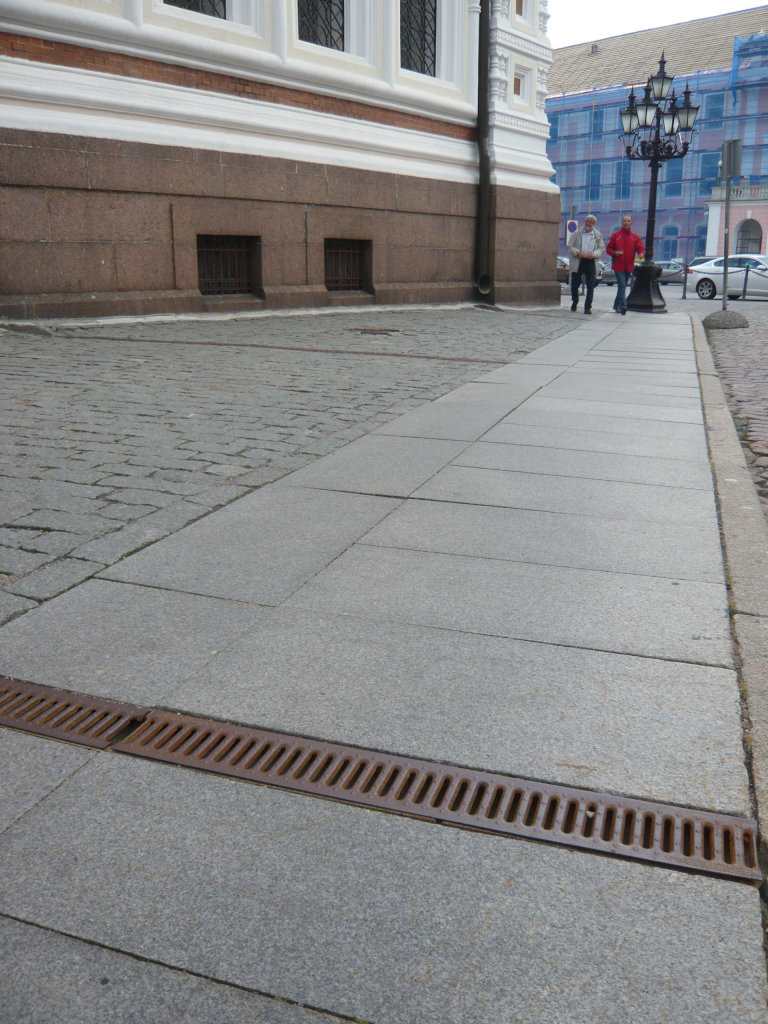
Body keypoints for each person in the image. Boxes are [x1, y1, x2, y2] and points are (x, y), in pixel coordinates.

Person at [606, 214, 645, 315]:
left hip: (628, 266)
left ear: (631, 223)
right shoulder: (616, 235)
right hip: (618, 265)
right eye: (624, 221)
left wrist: (641, 253)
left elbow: (640, 247)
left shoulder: (634, 237)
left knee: (621, 287)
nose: (626, 223)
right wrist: (615, 252)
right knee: (622, 285)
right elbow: (609, 248)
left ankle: (616, 305)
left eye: (628, 221)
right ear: (621, 222)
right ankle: (624, 306)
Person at [568, 215, 604, 315]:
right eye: (587, 221)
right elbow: (570, 246)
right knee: (575, 284)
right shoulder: (577, 233)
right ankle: (575, 301)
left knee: (591, 285)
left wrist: (593, 254)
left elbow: (601, 249)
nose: (588, 223)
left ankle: (587, 307)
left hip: (590, 261)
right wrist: (577, 252)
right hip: (579, 260)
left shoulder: (597, 235)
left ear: (594, 224)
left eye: (591, 222)